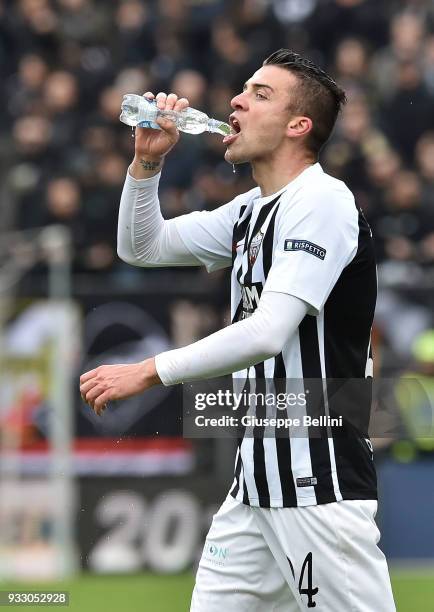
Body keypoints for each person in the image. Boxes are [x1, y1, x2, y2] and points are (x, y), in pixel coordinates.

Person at [80, 49, 396, 611]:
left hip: (315, 482)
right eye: (243, 90)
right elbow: (140, 246)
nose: (236, 101)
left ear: (299, 126)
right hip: (253, 489)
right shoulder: (249, 211)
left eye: (261, 94)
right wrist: (146, 166)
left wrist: (150, 370)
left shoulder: (323, 200)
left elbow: (267, 332)